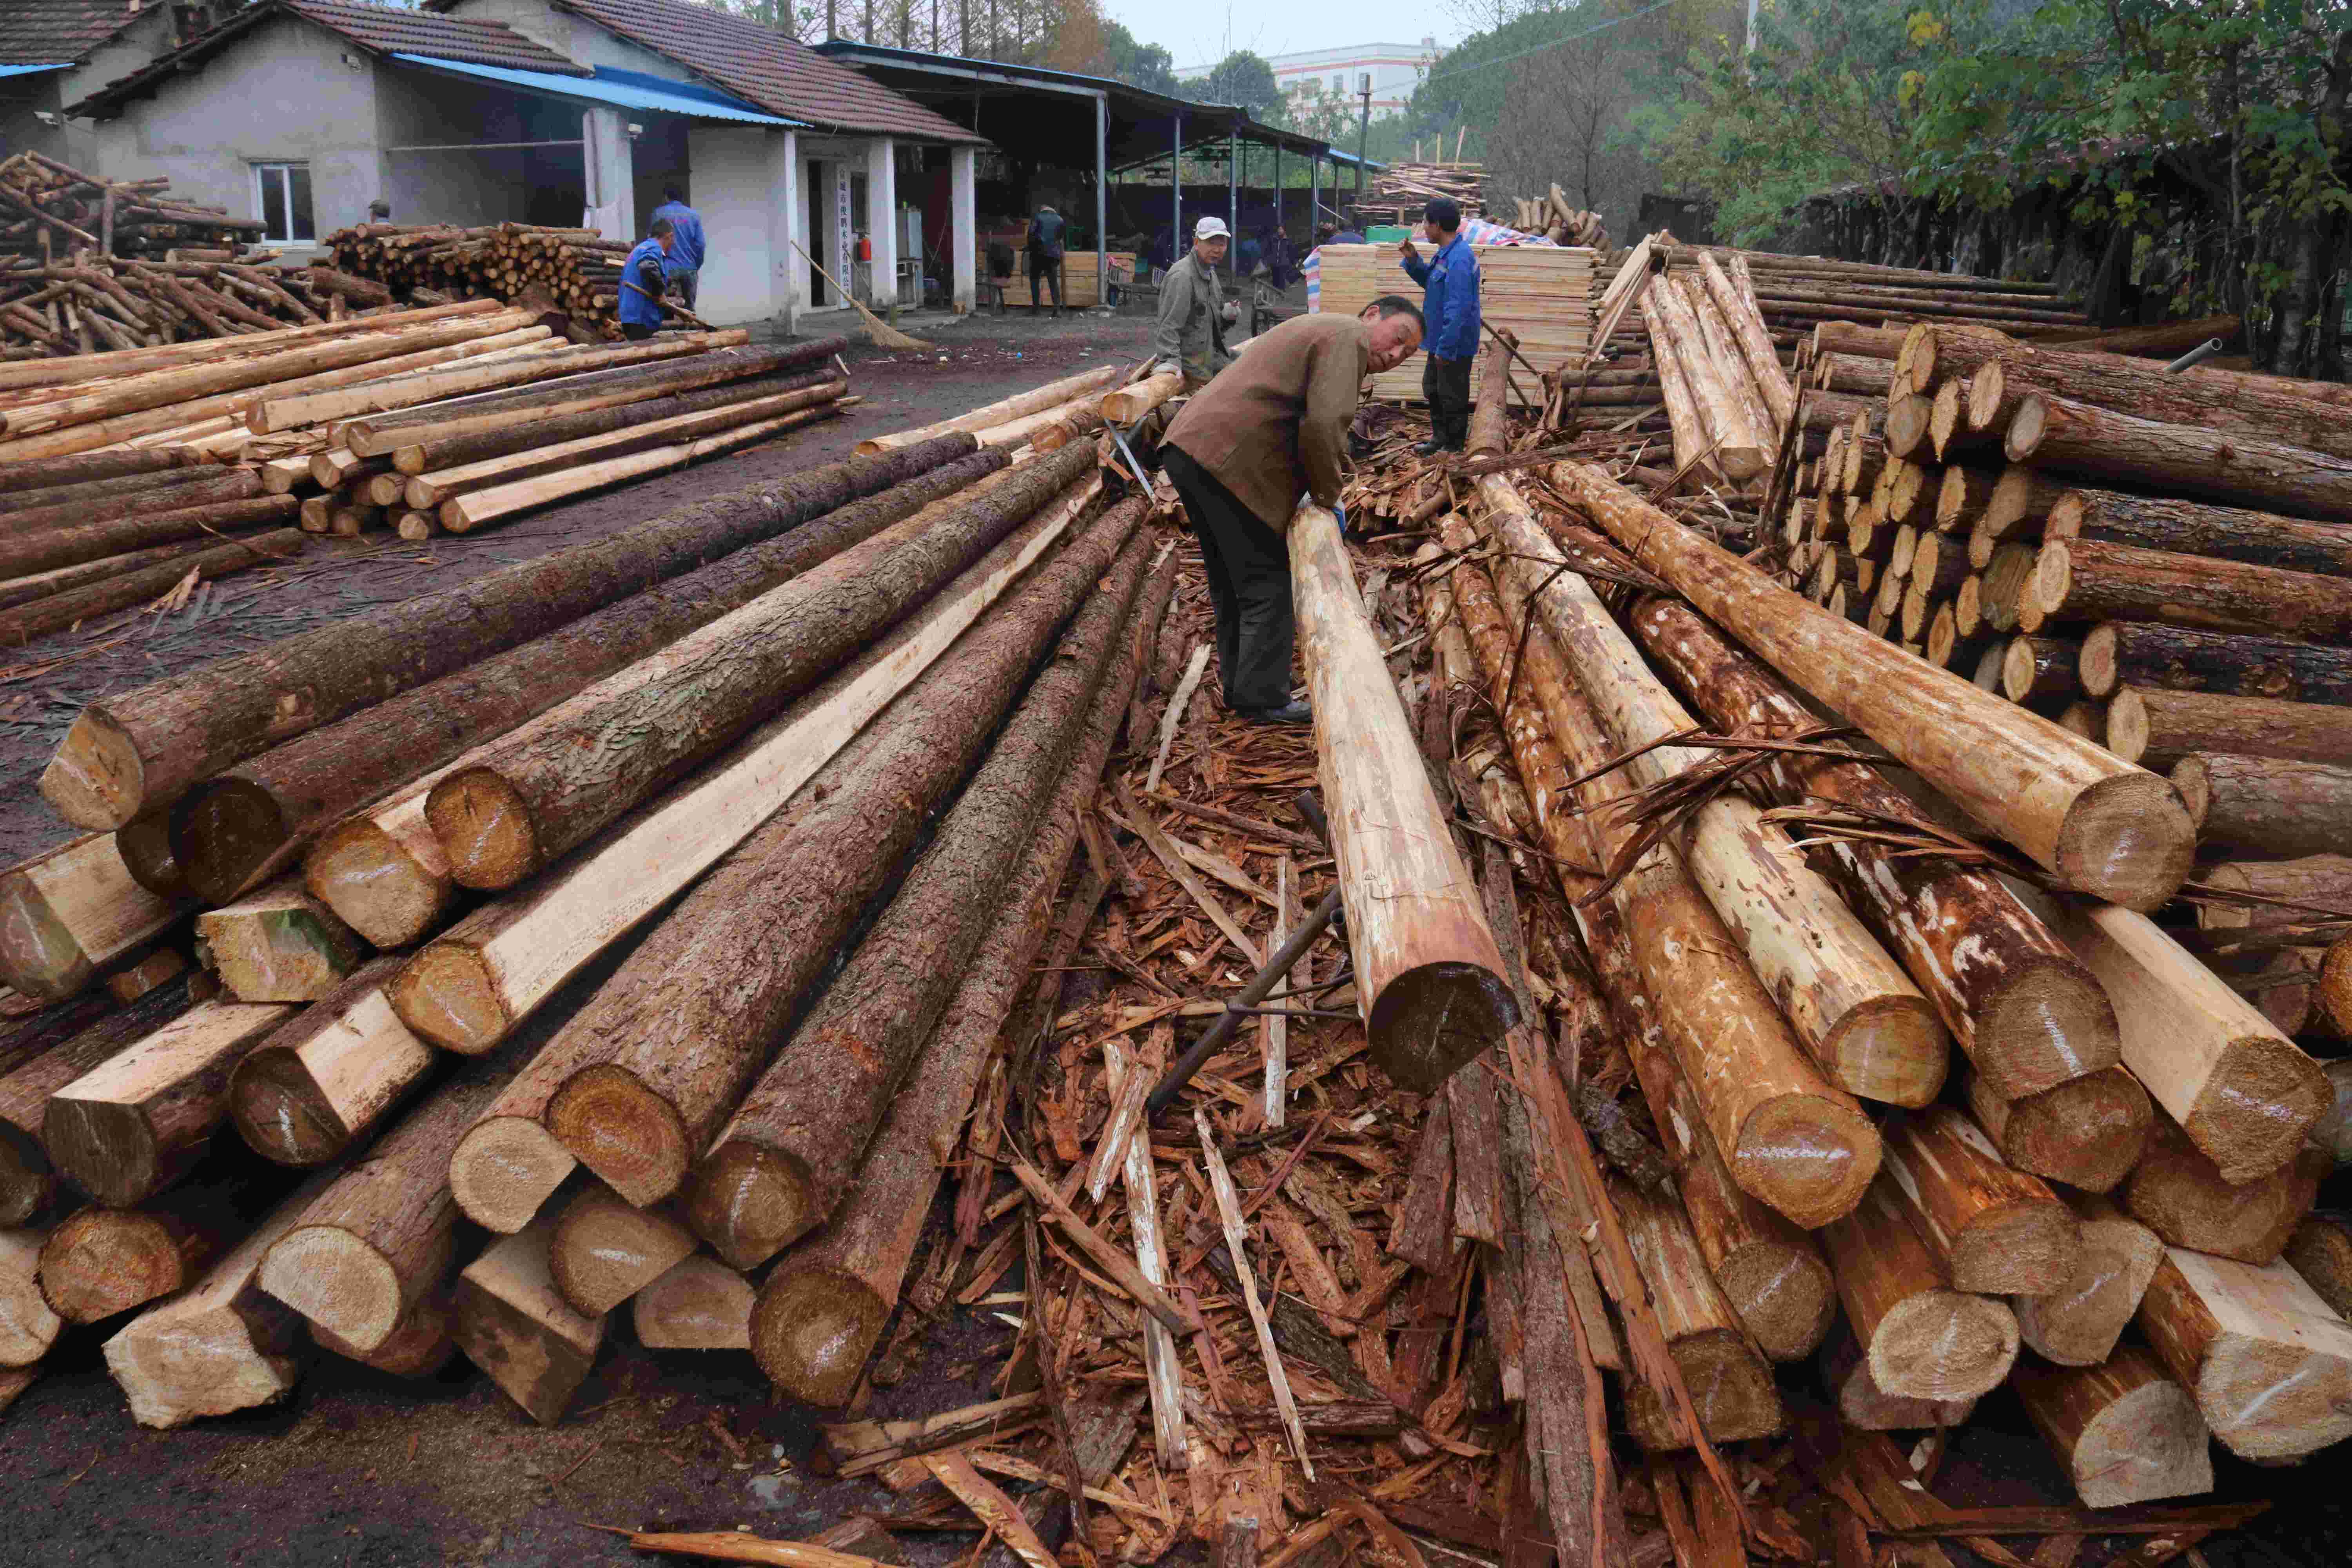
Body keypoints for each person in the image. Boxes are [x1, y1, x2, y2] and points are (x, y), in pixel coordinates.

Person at [1160, 296, 1426, 725]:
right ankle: (1262, 699)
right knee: (1266, 583)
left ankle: (1243, 689)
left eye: (1407, 354)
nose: (1395, 355)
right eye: (1398, 339)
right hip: (1225, 458)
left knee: (1233, 583)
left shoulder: (1325, 327)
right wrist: (1326, 496)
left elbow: (1309, 418)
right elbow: (1323, 426)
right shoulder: (1350, 337)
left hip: (1192, 448)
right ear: (1372, 314)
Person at [1399, 196, 1480, 455]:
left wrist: (1446, 348)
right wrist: (1413, 261)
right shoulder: (1445, 254)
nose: (1423, 228)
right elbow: (1433, 286)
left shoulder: (1459, 258)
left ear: (1437, 225)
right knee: (1433, 389)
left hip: (1453, 342)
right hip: (1439, 339)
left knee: (1452, 396)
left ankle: (1454, 448)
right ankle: (1439, 439)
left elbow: (1457, 308)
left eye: (1425, 222)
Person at [1154, 216, 1241, 390]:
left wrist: (1227, 315)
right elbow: (1169, 326)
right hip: (1192, 368)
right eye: (1210, 243)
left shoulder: (1211, 275)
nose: (1217, 249)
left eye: (1222, 244)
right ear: (1196, 242)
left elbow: (1212, 326)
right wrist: (1170, 361)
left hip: (1211, 358)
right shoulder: (1183, 276)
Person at [618, 217, 675, 341]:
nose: (673, 242)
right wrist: (660, 292)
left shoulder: (640, 248)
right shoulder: (654, 248)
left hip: (630, 316)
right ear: (668, 237)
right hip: (641, 317)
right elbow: (647, 266)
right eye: (673, 238)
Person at [649, 185, 705, 310]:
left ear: (666, 198)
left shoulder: (659, 214)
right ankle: (691, 328)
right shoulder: (694, 216)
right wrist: (696, 265)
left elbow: (653, 242)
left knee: (668, 308)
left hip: (667, 269)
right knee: (689, 311)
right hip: (689, 268)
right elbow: (700, 245)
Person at [1026, 203, 1067, 316]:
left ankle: (1036, 309)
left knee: (1035, 280)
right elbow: (1061, 238)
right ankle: (1057, 309)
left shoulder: (1037, 217)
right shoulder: (1060, 220)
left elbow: (1031, 235)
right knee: (1053, 282)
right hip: (1053, 255)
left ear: (1042, 209)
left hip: (1037, 255)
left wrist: (1031, 248)